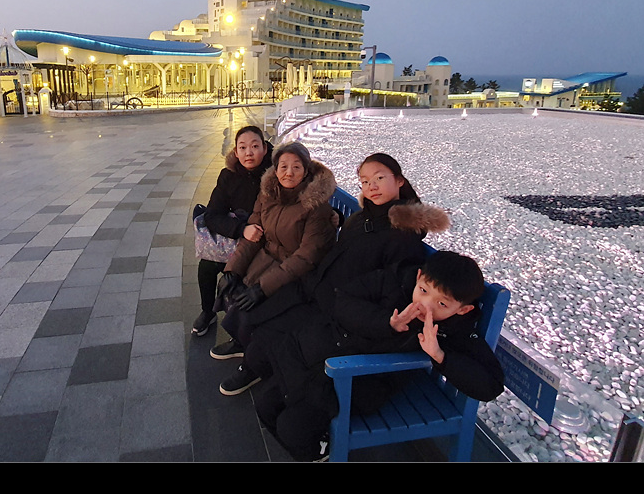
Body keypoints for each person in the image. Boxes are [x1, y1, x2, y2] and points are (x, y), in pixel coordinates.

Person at [256, 250, 505, 462]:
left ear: (463, 310)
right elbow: (343, 301)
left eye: (442, 304)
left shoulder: (453, 330)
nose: (426, 305)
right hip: (325, 355)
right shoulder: (393, 282)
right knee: (266, 404)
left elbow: (491, 384)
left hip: (359, 381)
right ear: (418, 277)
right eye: (423, 290)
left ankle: (318, 452)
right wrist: (387, 323)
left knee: (292, 428)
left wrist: (440, 356)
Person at [210, 141, 338, 395]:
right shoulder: (268, 194)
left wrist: (261, 288)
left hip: (300, 276)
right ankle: (243, 342)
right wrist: (232, 270)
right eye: (283, 166)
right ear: (275, 169)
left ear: (306, 171)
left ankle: (253, 365)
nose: (288, 173)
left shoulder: (316, 207)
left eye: (296, 167)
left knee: (256, 308)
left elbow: (305, 257)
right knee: (233, 289)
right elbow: (254, 235)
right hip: (269, 263)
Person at [191, 125, 274, 337]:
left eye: (255, 146)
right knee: (207, 265)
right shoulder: (229, 176)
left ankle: (245, 327)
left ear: (264, 148)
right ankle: (207, 311)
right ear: (236, 152)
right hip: (240, 238)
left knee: (248, 272)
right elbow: (212, 215)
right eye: (243, 148)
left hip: (269, 243)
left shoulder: (276, 173)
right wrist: (241, 229)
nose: (249, 153)